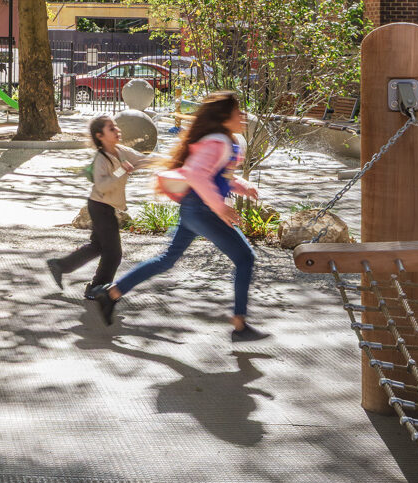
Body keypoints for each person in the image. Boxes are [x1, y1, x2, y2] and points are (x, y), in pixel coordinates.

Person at [89, 91, 265, 341]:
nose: (243, 116)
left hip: (195, 209)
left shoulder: (224, 140)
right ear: (225, 117)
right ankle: (240, 324)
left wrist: (242, 186)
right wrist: (220, 207)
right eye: (238, 112)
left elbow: (216, 175)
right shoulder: (217, 142)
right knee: (245, 257)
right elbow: (196, 174)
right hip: (202, 210)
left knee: (167, 259)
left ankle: (111, 294)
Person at [47, 115, 146, 296]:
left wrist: (172, 160)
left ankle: (60, 265)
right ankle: (96, 287)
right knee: (113, 253)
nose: (117, 130)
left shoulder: (121, 151)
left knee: (97, 246)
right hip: (100, 207)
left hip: (105, 207)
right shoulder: (101, 158)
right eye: (111, 128)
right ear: (100, 136)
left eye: (116, 127)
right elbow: (102, 186)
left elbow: (142, 159)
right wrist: (121, 170)